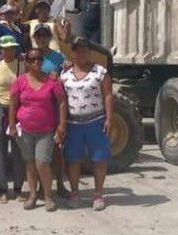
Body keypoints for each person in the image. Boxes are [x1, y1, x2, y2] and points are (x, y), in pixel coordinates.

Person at [8, 49, 68, 212]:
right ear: (27, 62)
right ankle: (33, 195)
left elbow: (62, 102)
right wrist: (12, 125)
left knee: (42, 162)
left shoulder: (52, 81)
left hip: (46, 130)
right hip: (25, 130)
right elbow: (13, 104)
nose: (36, 62)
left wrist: (62, 124)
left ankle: (48, 196)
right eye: (32, 59)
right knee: (30, 163)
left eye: (39, 59)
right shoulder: (20, 81)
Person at [60, 37, 113, 211]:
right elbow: (62, 101)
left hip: (95, 122)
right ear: (72, 53)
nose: (80, 53)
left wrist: (109, 118)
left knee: (99, 159)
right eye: (77, 50)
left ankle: (98, 194)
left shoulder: (100, 72)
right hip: (73, 123)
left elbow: (107, 95)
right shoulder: (65, 75)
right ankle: (75, 193)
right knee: (73, 159)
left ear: (89, 52)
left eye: (84, 50)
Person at [31, 23, 70, 198]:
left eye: (45, 35)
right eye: (38, 36)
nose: (42, 39)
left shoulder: (59, 57)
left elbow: (68, 75)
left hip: (55, 107)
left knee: (56, 150)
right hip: (37, 109)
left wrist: (61, 73)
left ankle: (60, 184)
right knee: (39, 152)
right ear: (35, 38)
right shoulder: (30, 57)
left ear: (49, 37)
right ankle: (41, 187)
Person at [0, 35, 25, 203]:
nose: (10, 51)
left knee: (18, 151)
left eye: (12, 48)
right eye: (6, 48)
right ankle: (3, 190)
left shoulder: (22, 65)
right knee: (0, 151)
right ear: (1, 50)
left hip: (18, 110)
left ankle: (18, 189)